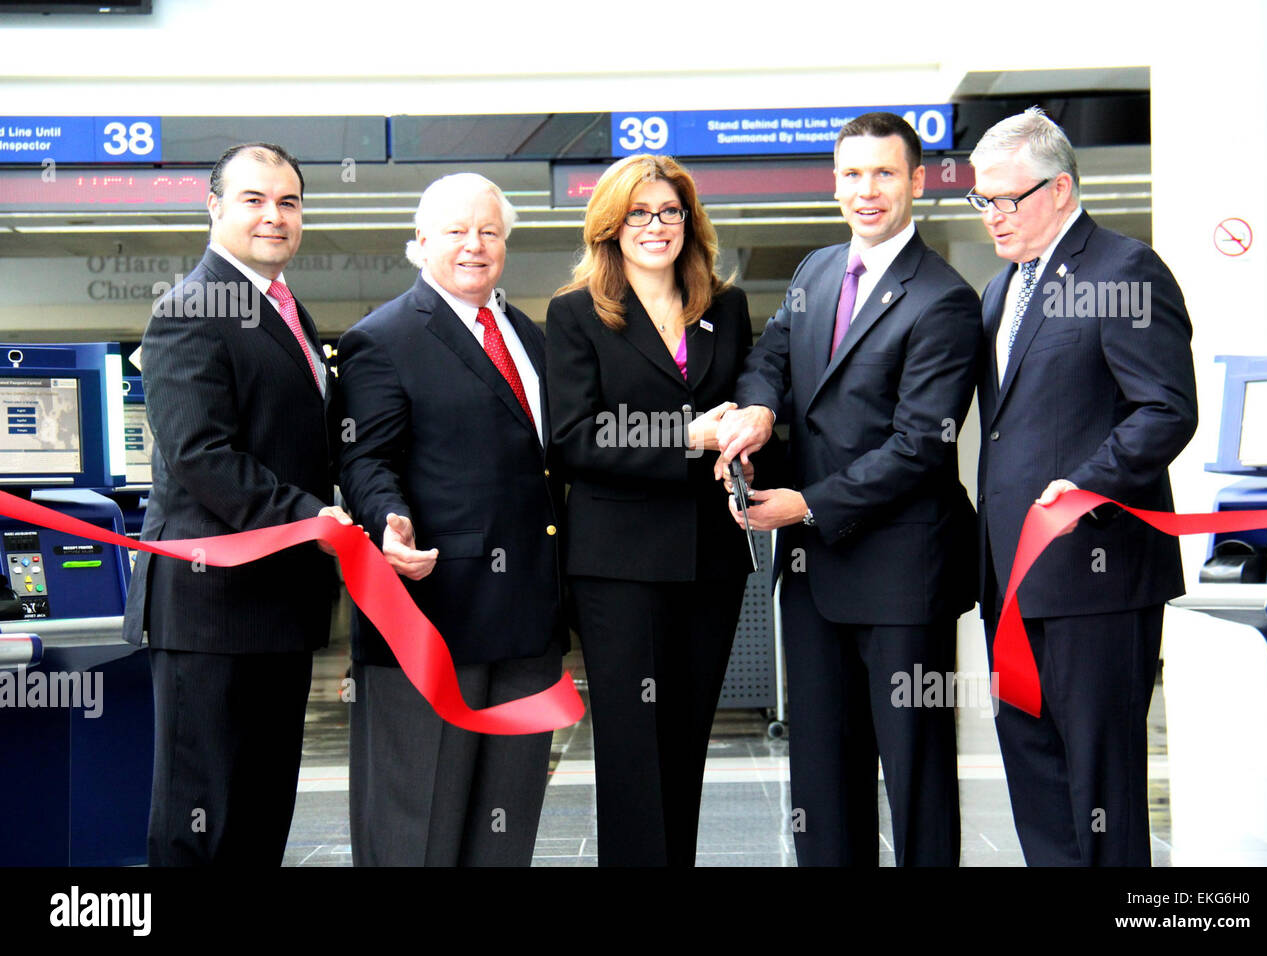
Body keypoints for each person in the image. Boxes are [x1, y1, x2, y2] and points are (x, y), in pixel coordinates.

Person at [716, 112, 982, 866]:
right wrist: (762, 408)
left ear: (917, 182)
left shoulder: (944, 299)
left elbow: (919, 448)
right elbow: (769, 359)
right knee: (822, 780)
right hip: (813, 578)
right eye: (853, 175)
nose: (867, 191)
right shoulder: (816, 272)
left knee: (915, 776)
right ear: (835, 184)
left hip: (903, 579)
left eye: (885, 174)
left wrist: (806, 504)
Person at [967, 107, 1196, 866]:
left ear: (1061, 188)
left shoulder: (1123, 269)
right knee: (1036, 778)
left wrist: (1081, 488)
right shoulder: (1003, 291)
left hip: (1095, 580)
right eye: (982, 200)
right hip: (1013, 582)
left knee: (1099, 790)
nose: (994, 215)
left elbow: (1166, 408)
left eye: (1009, 199)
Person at [123, 142, 353, 865]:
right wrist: (310, 518)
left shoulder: (284, 309)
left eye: (288, 202)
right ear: (215, 207)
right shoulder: (191, 307)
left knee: (259, 815)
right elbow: (201, 458)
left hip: (274, 608)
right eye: (253, 199)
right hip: (211, 606)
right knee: (205, 820)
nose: (273, 216)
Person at [337, 173, 565, 867]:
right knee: (418, 828)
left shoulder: (529, 334)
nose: (474, 245)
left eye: (490, 231)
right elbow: (365, 460)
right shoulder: (380, 338)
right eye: (456, 231)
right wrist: (389, 521)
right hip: (431, 618)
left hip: (527, 623)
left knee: (505, 826)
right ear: (419, 244)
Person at [545, 153, 759, 866]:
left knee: (686, 743)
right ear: (610, 225)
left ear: (690, 222)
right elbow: (574, 438)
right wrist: (687, 437)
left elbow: (747, 405)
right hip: (619, 569)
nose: (655, 225)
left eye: (670, 211)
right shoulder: (576, 313)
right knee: (634, 754)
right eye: (638, 213)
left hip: (709, 564)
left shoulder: (724, 306)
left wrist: (742, 444)